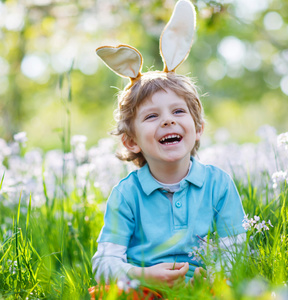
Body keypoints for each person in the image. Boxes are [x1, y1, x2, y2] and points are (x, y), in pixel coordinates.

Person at [91, 0, 246, 293]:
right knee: (105, 293)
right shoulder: (126, 195)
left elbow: (235, 248)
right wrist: (143, 275)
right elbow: (104, 263)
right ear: (131, 141)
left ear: (198, 128)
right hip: (144, 286)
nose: (167, 122)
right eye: (152, 116)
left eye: (178, 112)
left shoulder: (219, 184)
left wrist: (215, 274)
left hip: (203, 288)